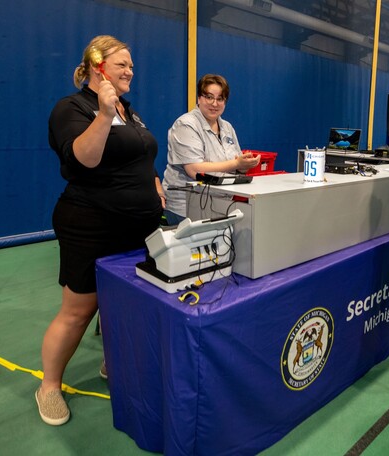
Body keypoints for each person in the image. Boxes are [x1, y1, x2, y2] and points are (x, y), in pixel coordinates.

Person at [37, 35, 164, 425]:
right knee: (79, 310)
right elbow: (84, 159)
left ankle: (115, 363)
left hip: (137, 226)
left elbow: (141, 154)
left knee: (125, 299)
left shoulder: (128, 109)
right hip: (91, 224)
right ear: (98, 66)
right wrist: (105, 115)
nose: (130, 71)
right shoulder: (72, 108)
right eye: (122, 64)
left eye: (131, 65)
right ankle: (50, 387)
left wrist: (155, 184)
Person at [161, 74, 260, 224]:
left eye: (220, 98)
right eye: (209, 97)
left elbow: (235, 165)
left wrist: (244, 166)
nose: (214, 103)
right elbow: (195, 170)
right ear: (199, 98)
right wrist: (236, 164)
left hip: (221, 205)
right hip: (186, 207)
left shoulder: (227, 127)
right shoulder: (186, 124)